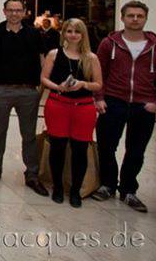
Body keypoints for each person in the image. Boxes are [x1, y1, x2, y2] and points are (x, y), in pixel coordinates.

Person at [0, 0, 49, 197]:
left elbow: (43, 62)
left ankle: (32, 173)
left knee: (29, 135)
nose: (14, 13)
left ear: (24, 12)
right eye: (11, 10)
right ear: (4, 11)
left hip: (28, 91)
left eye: (18, 10)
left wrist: (40, 90)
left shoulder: (34, 35)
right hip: (2, 90)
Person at [91, 0, 156, 212]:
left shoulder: (154, 46)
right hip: (113, 101)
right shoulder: (109, 43)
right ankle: (108, 184)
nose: (135, 19)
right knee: (106, 146)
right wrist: (99, 97)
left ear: (146, 18)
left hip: (143, 105)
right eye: (131, 15)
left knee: (136, 150)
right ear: (122, 17)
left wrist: (155, 102)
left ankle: (129, 189)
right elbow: (98, 71)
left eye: (139, 16)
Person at [40, 19, 102, 207]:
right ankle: (58, 186)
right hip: (58, 105)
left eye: (77, 31)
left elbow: (98, 84)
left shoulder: (91, 58)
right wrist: (57, 86)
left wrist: (83, 84)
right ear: (64, 33)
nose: (73, 34)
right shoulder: (54, 54)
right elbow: (44, 78)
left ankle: (75, 190)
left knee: (80, 149)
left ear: (83, 34)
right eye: (69, 31)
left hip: (83, 108)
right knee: (57, 147)